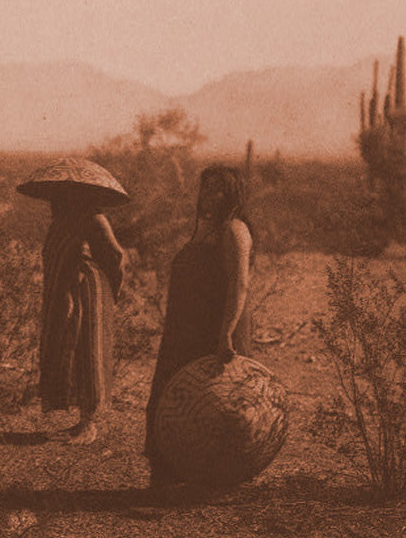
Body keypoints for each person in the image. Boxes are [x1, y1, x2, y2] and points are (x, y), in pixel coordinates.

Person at [144, 165, 254, 488]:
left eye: (218, 189)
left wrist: (226, 335)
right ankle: (175, 475)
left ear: (232, 194)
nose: (209, 195)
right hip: (184, 333)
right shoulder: (204, 229)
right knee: (172, 401)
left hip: (214, 332)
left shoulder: (234, 230)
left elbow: (240, 285)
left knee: (215, 405)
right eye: (205, 188)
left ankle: (212, 480)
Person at [37, 190, 126, 444]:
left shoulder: (95, 218)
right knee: (70, 350)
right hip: (65, 290)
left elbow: (117, 256)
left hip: (88, 290)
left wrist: (114, 289)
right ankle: (81, 421)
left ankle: (89, 424)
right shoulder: (63, 220)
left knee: (88, 349)